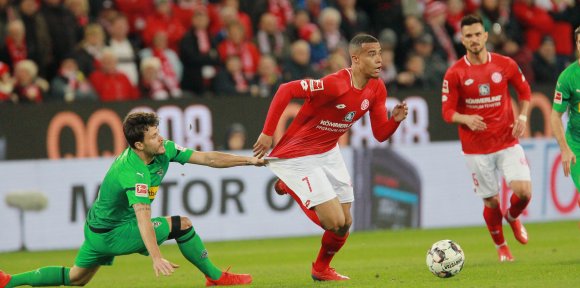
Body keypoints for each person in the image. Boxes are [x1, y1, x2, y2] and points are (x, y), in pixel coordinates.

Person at [0, 111, 265, 287]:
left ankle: (8, 281)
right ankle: (216, 277)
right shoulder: (132, 173)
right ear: (138, 145)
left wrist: (248, 160)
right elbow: (143, 217)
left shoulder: (163, 149)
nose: (161, 138)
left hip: (97, 229)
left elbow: (207, 158)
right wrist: (156, 256)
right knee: (181, 224)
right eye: (153, 136)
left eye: (158, 132)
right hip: (114, 232)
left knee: (76, 278)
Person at [253, 34, 408, 281]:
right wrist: (267, 133)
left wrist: (395, 122)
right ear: (355, 59)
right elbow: (285, 90)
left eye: (379, 53)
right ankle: (288, 185)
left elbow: (379, 134)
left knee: (345, 223)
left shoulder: (377, 87)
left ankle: (321, 269)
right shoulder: (335, 84)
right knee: (333, 221)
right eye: (372, 54)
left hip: (327, 151)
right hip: (297, 154)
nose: (380, 59)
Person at [441, 14, 532, 262]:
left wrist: (522, 118)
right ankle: (502, 247)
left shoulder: (505, 64)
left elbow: (525, 92)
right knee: (491, 201)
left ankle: (512, 217)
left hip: (506, 140)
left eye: (477, 34)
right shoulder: (455, 73)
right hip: (475, 147)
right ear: (462, 39)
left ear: (485, 36)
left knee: (523, 192)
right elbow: (447, 112)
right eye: (468, 36)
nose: (473, 39)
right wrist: (465, 118)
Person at [550, 26, 580, 208]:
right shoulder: (567, 77)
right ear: (577, 45)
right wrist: (564, 148)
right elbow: (555, 116)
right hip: (577, 144)